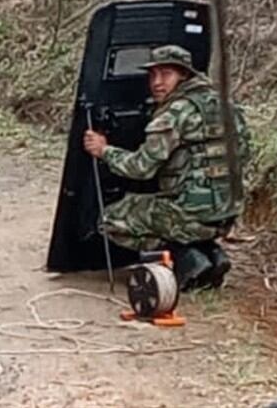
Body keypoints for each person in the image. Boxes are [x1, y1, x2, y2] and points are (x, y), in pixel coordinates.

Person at [83, 44, 250, 290]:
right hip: (228, 214)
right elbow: (244, 156)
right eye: (152, 75)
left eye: (166, 74)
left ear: (184, 75)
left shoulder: (175, 113)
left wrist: (104, 150)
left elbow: (141, 168)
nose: (157, 82)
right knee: (176, 208)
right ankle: (211, 255)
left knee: (110, 219)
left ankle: (187, 258)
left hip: (190, 215)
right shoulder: (227, 106)